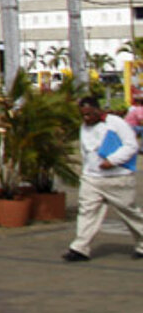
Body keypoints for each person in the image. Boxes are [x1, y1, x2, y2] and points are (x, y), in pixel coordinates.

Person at [62, 95, 143, 261]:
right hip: (92, 179)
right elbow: (86, 152)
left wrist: (112, 161)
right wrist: (86, 173)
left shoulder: (115, 123)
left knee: (129, 212)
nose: (86, 118)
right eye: (83, 115)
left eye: (89, 114)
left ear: (98, 110)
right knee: (87, 212)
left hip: (118, 178)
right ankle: (80, 248)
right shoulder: (84, 127)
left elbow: (132, 146)